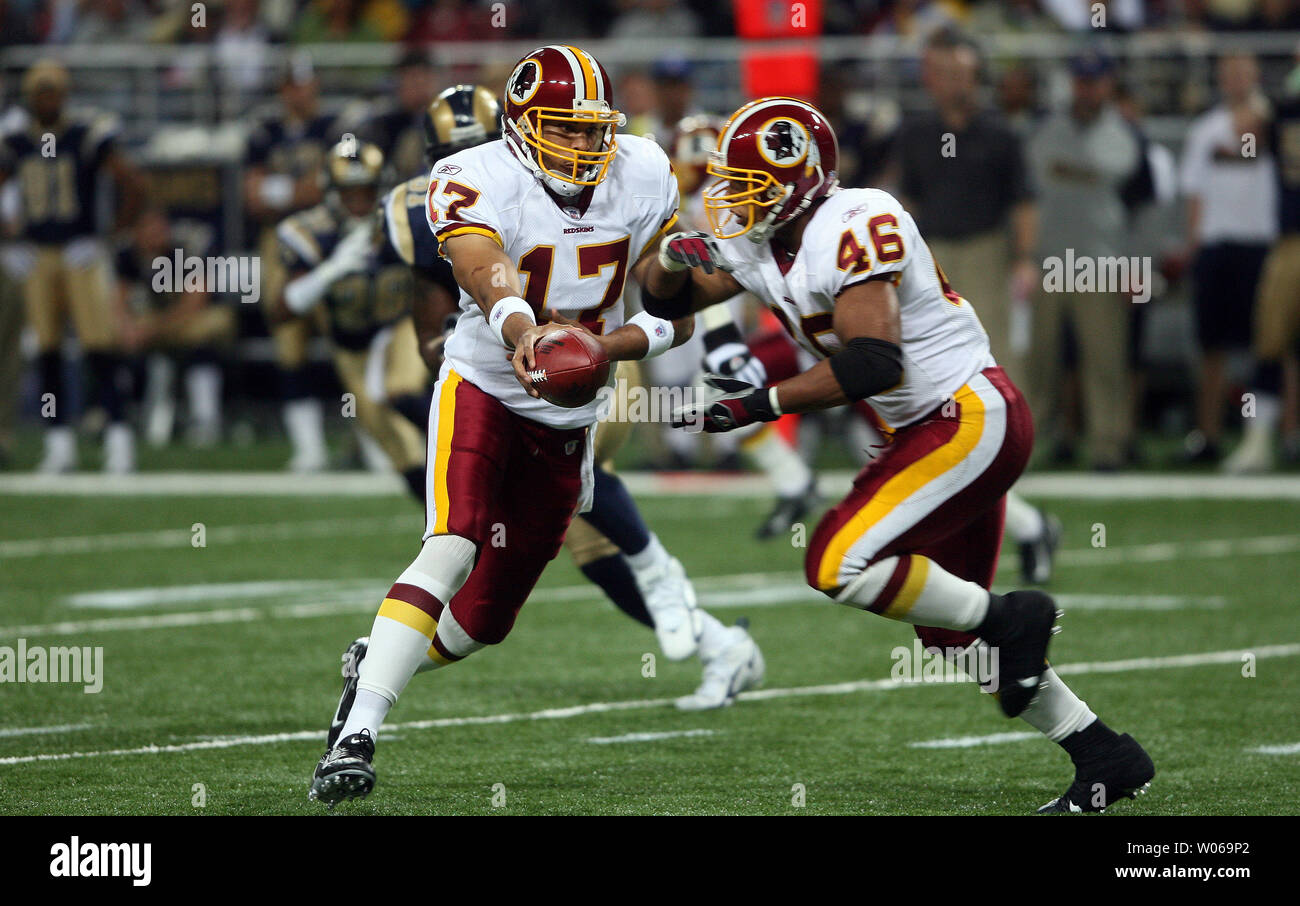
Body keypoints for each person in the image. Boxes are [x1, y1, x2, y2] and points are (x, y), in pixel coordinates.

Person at [642, 96, 1154, 813]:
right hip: (925, 431)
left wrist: (759, 404)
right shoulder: (762, 238)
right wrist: (668, 258)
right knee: (949, 630)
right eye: (733, 182)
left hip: (967, 417)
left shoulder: (856, 220)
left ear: (801, 182)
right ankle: (1103, 754)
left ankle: (1014, 619)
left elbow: (875, 361)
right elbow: (667, 304)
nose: (734, 199)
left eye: (753, 184)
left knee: (835, 562)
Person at [309, 47, 758, 807]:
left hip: (572, 411)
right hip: (486, 381)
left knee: (483, 622)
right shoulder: (473, 177)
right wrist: (528, 335)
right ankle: (356, 734)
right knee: (451, 544)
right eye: (566, 129)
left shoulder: (643, 170)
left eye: (595, 130)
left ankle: (379, 654)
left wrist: (614, 341)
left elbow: (676, 310)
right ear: (521, 125)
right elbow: (487, 273)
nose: (587, 147)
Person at [0, 59, 145, 473]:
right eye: (40, 93)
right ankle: (59, 443)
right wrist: (9, 240)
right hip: (38, 255)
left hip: (80, 252)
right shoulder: (16, 140)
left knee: (99, 348)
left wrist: (109, 235)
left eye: (53, 92)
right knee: (47, 353)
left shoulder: (85, 135)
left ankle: (118, 437)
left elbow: (132, 182)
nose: (47, 100)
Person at [269, 141, 430, 501]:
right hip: (350, 346)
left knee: (401, 388)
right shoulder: (311, 232)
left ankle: (473, 450)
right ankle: (444, 525)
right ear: (331, 193)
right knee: (398, 451)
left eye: (366, 192)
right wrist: (328, 272)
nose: (358, 202)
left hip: (401, 326)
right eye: (348, 193)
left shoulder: (402, 219)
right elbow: (280, 311)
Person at [1026, 50, 1141, 471]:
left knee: (1104, 360)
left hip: (1101, 261)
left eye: (1094, 80)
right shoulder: (1047, 129)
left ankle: (1109, 445)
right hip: (1049, 259)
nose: (1086, 88)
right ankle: (1032, 443)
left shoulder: (1126, 134)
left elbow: (1142, 207)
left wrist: (1136, 265)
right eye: (1080, 80)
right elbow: (1031, 188)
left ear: (1108, 83)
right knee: (1040, 360)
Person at [243, 53, 338, 472]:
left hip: (328, 236)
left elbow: (333, 187)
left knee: (346, 333)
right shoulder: (263, 132)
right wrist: (299, 190)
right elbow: (251, 196)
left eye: (305, 83)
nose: (299, 91)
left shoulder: (336, 128)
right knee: (287, 336)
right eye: (292, 84)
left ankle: (371, 439)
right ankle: (309, 446)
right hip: (279, 242)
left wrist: (280, 192)